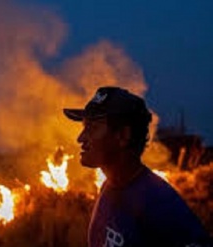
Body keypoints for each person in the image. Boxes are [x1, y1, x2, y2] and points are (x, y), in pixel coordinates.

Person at [63, 86, 212, 247]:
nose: (81, 138)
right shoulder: (110, 187)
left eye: (92, 128)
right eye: (84, 128)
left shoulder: (160, 205)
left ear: (123, 136)